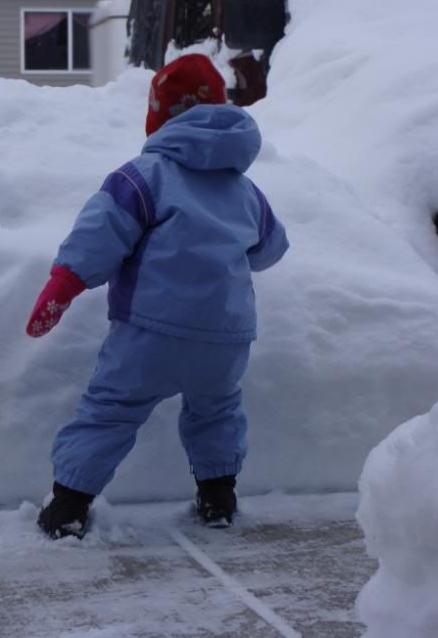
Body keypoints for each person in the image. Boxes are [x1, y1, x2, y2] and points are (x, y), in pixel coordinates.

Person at [27, 53, 288, 539]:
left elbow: (100, 233)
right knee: (217, 410)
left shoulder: (141, 177)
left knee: (110, 410)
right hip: (225, 338)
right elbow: (271, 249)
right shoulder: (246, 190)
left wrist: (63, 284)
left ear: (160, 117)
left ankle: (68, 505)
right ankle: (217, 498)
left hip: (152, 330)